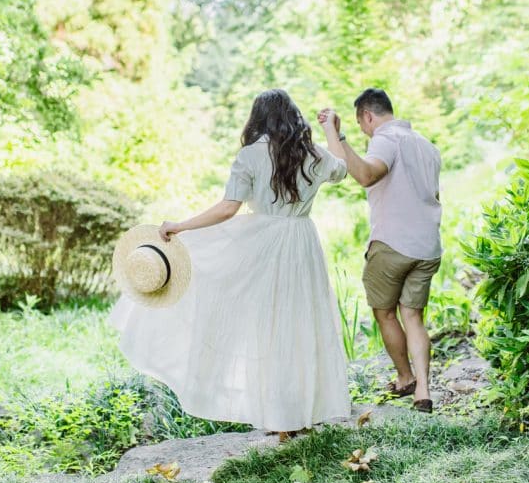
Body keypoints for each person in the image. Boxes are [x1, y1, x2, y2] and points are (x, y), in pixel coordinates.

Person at [110, 89, 352, 440]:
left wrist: (181, 226)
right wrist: (332, 129)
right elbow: (342, 169)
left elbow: (227, 209)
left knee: (268, 326)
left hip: (263, 244)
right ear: (293, 117)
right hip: (302, 241)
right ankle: (297, 414)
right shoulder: (312, 153)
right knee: (300, 323)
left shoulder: (251, 155)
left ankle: (280, 417)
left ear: (258, 118)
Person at [317, 88, 442, 413]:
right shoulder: (427, 146)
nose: (364, 131)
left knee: (384, 312)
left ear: (367, 116)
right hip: (427, 245)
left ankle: (405, 377)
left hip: (392, 244)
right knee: (413, 316)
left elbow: (366, 175)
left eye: (361, 125)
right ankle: (423, 391)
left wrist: (338, 136)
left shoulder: (385, 139)